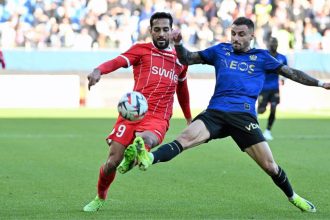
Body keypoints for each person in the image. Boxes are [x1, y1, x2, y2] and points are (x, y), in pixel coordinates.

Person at [127, 17, 330, 212]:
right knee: (184, 138)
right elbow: (187, 58)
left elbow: (292, 73)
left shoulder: (261, 57)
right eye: (233, 33)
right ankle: (148, 158)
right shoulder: (220, 51)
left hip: (243, 116)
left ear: (251, 36)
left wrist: (320, 83)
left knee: (270, 166)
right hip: (216, 112)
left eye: (241, 34)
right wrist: (178, 44)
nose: (236, 38)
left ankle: (293, 197)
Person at [83, 12, 192, 212]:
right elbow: (117, 61)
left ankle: (137, 152)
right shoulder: (141, 50)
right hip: (131, 114)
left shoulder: (180, 59)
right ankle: (100, 197)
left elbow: (182, 90)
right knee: (111, 163)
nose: (161, 34)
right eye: (157, 29)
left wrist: (188, 116)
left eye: (165, 29)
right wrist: (99, 70)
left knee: (145, 141)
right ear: (150, 31)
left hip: (158, 116)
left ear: (171, 31)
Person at [258, 37, 287, 141]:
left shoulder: (282, 58)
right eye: (272, 43)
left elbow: (285, 70)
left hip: (275, 88)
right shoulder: (264, 56)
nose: (273, 45)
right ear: (268, 45)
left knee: (274, 108)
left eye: (275, 43)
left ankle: (268, 131)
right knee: (261, 110)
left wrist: (283, 79)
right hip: (263, 88)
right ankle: (253, 129)